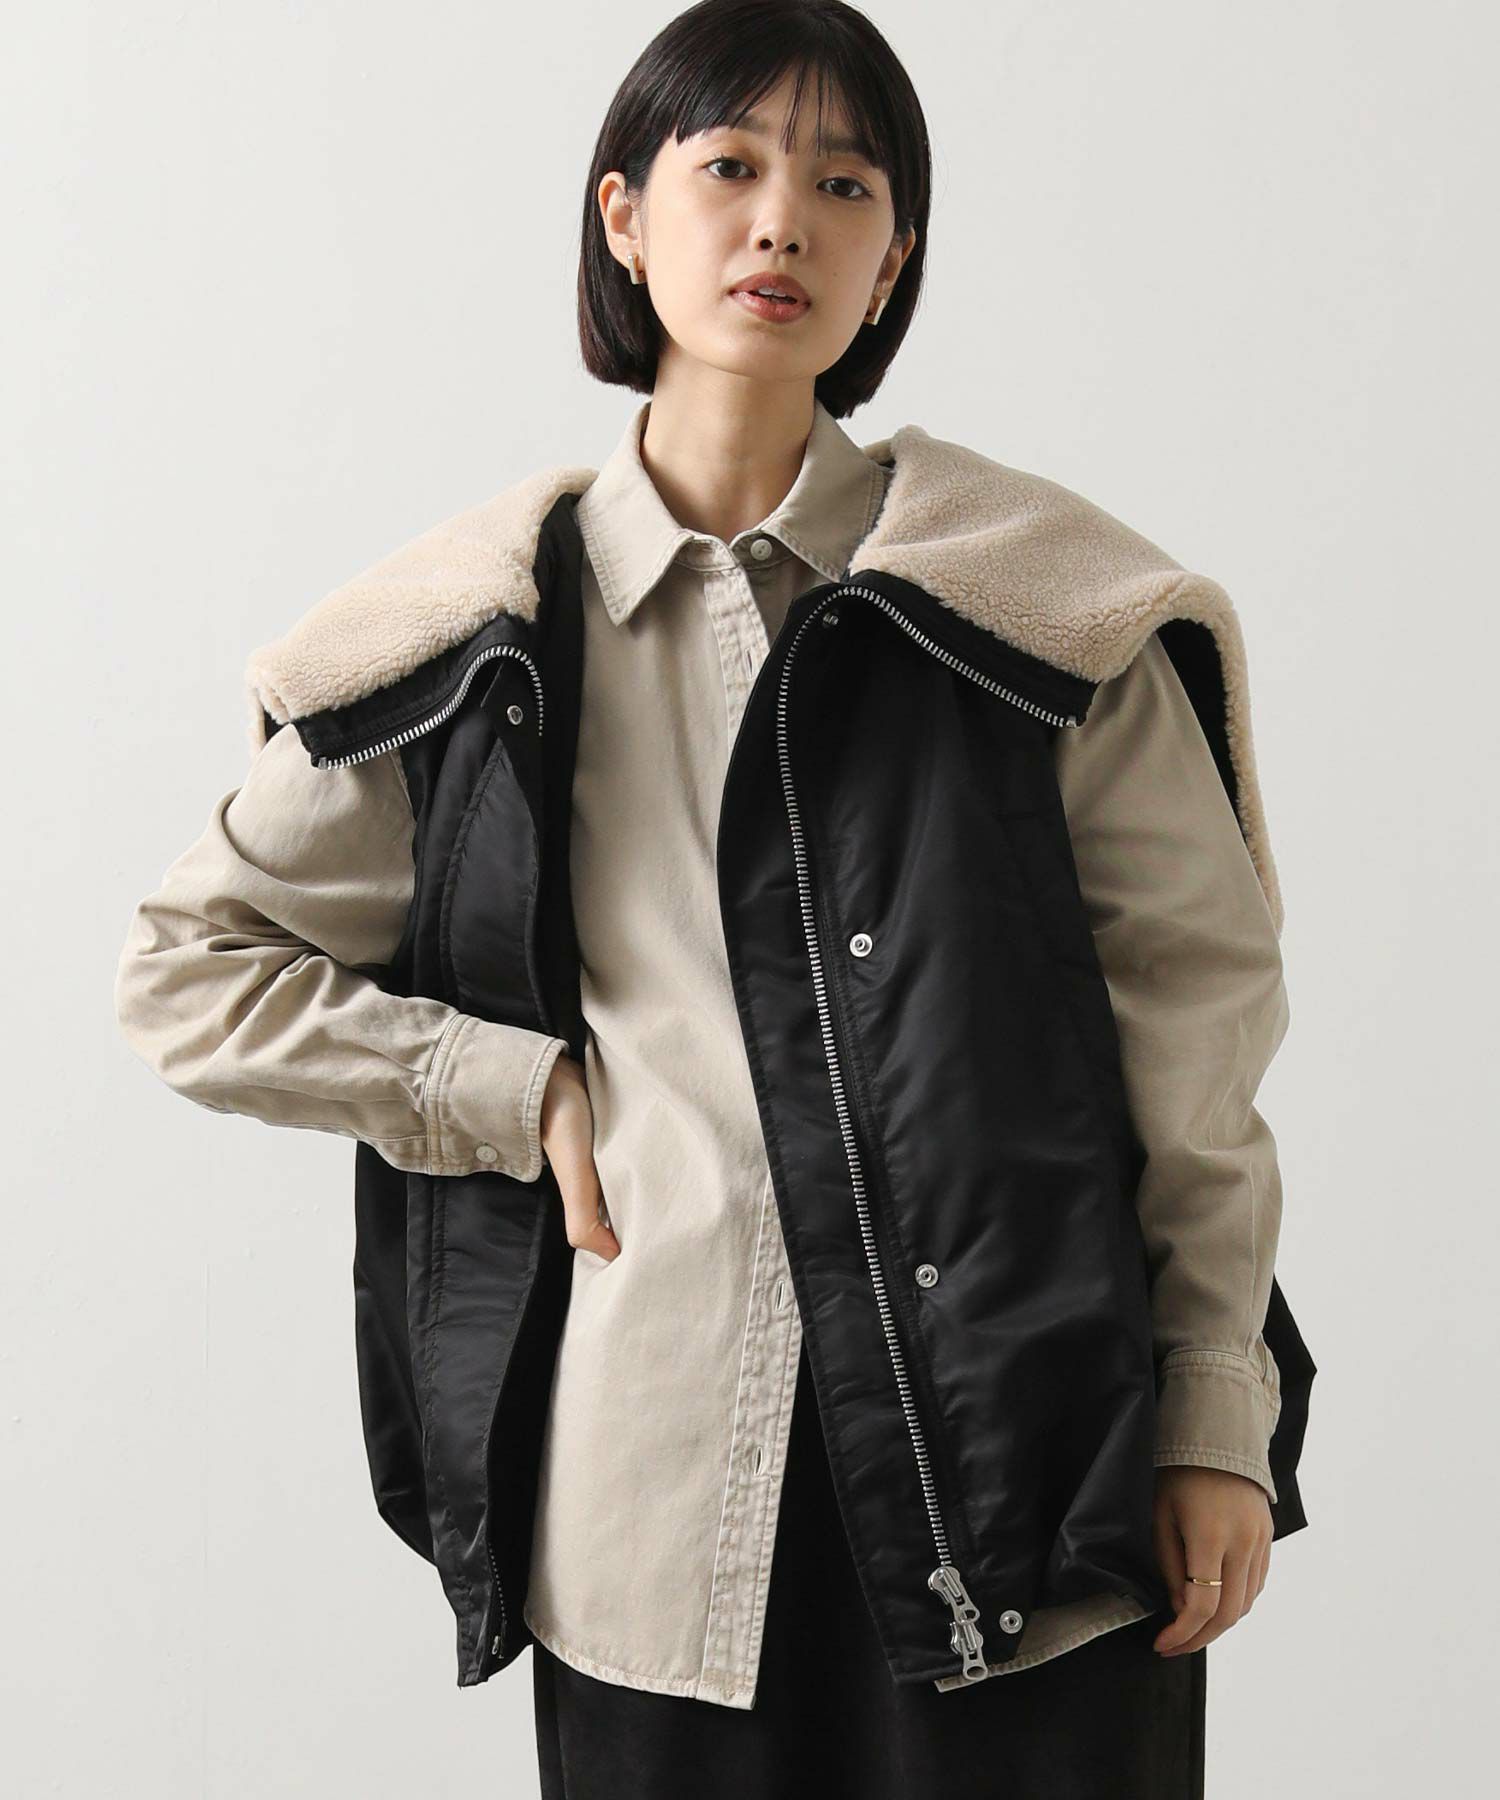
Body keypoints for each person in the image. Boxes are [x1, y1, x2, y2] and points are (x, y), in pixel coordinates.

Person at [114, 3, 1316, 1794]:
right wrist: (512, 1089)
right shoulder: (481, 642)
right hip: (654, 1507)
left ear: (892, 259)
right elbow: (189, 967)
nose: (782, 224)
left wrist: (1214, 1407)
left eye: (843, 186)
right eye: (731, 167)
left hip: (1036, 1476)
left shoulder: (1040, 613)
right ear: (624, 217)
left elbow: (1195, 1045)